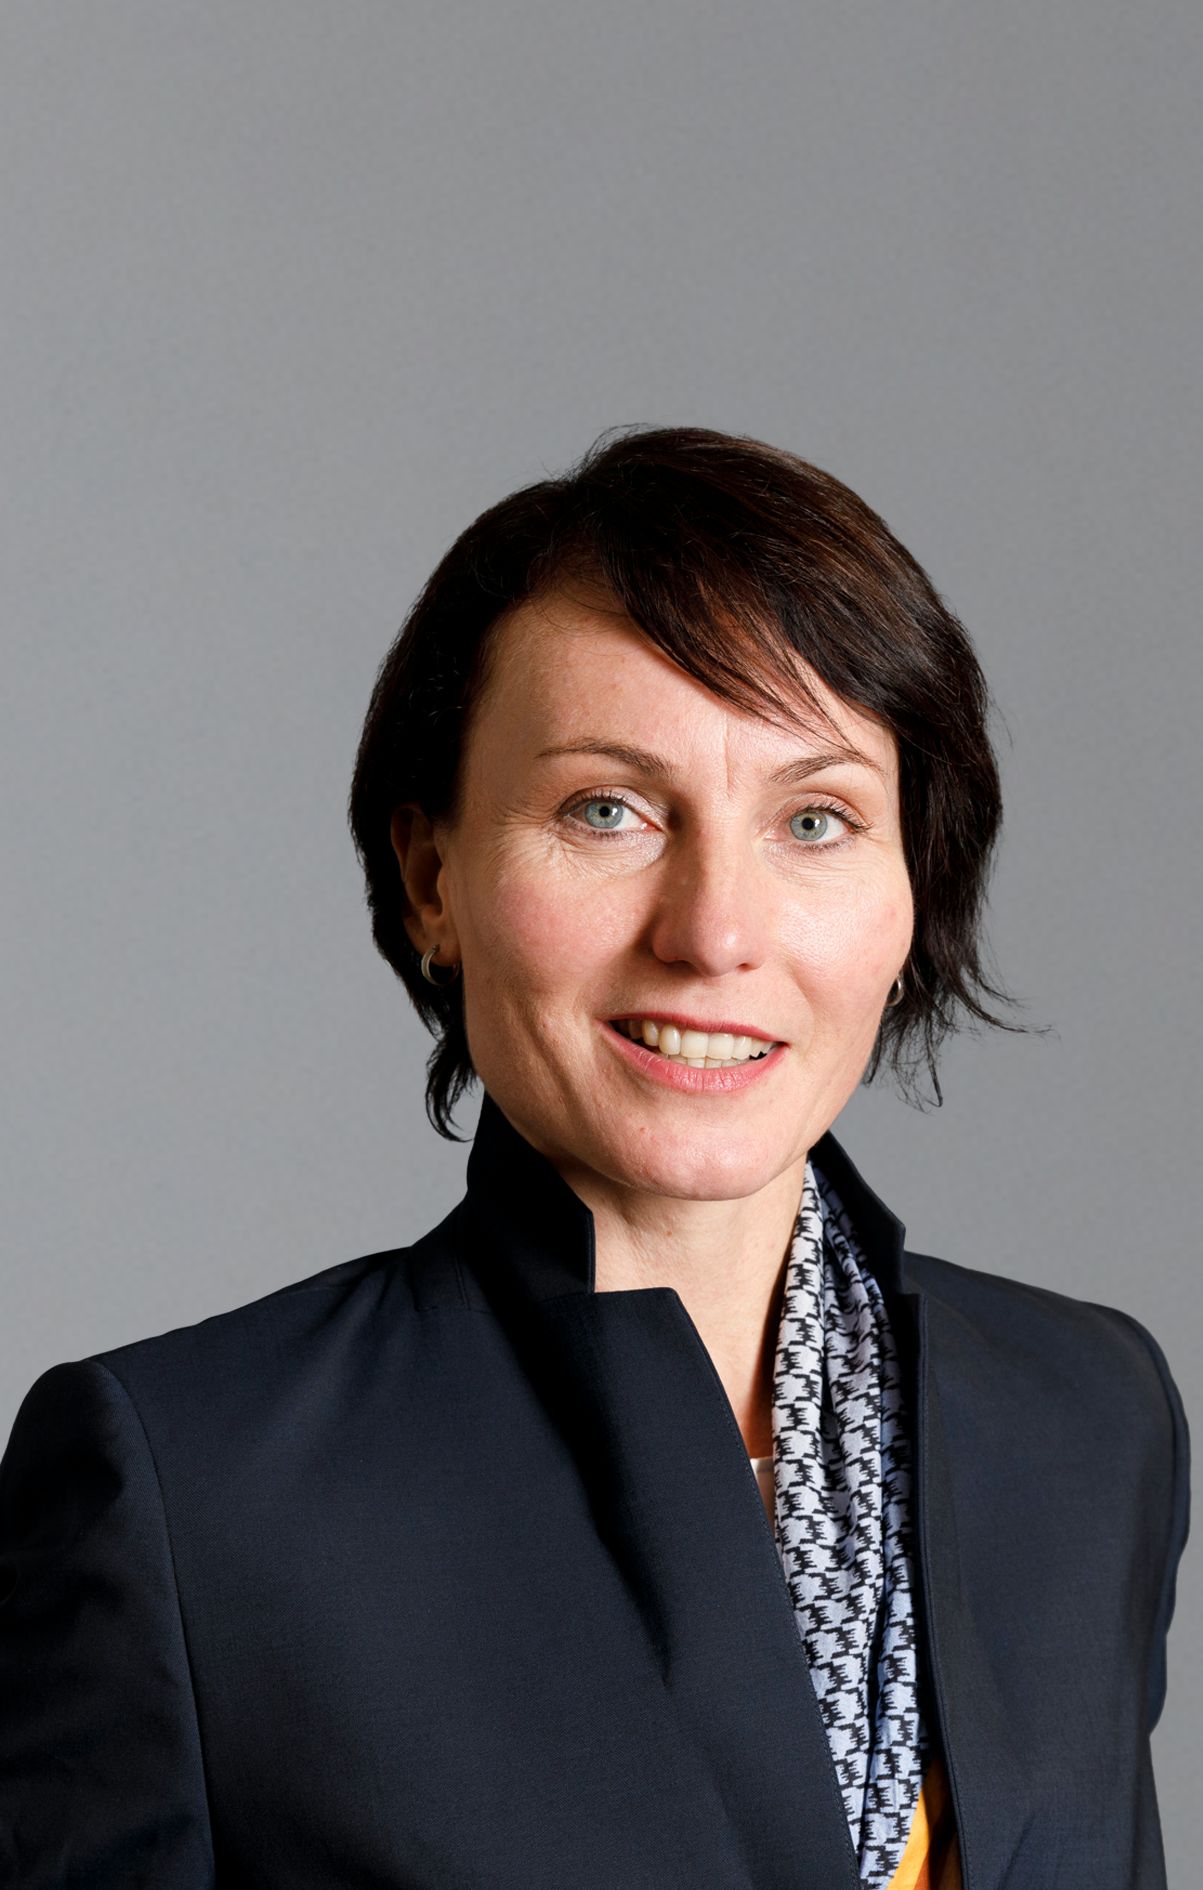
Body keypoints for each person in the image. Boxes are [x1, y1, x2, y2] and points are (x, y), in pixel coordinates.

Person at [0, 429, 1187, 1890]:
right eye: (606, 810)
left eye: (815, 820)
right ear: (432, 879)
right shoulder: (190, 1494)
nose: (714, 930)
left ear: (913, 885)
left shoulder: (1087, 1419)